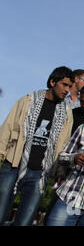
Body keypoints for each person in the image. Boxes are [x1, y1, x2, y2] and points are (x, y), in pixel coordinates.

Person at [0, 66, 74, 226]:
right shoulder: (27, 101)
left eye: (70, 86)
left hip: (39, 174)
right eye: (64, 84)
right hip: (13, 165)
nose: (67, 90)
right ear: (52, 82)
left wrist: (60, 170)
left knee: (25, 221)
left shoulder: (66, 113)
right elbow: (7, 128)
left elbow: (64, 145)